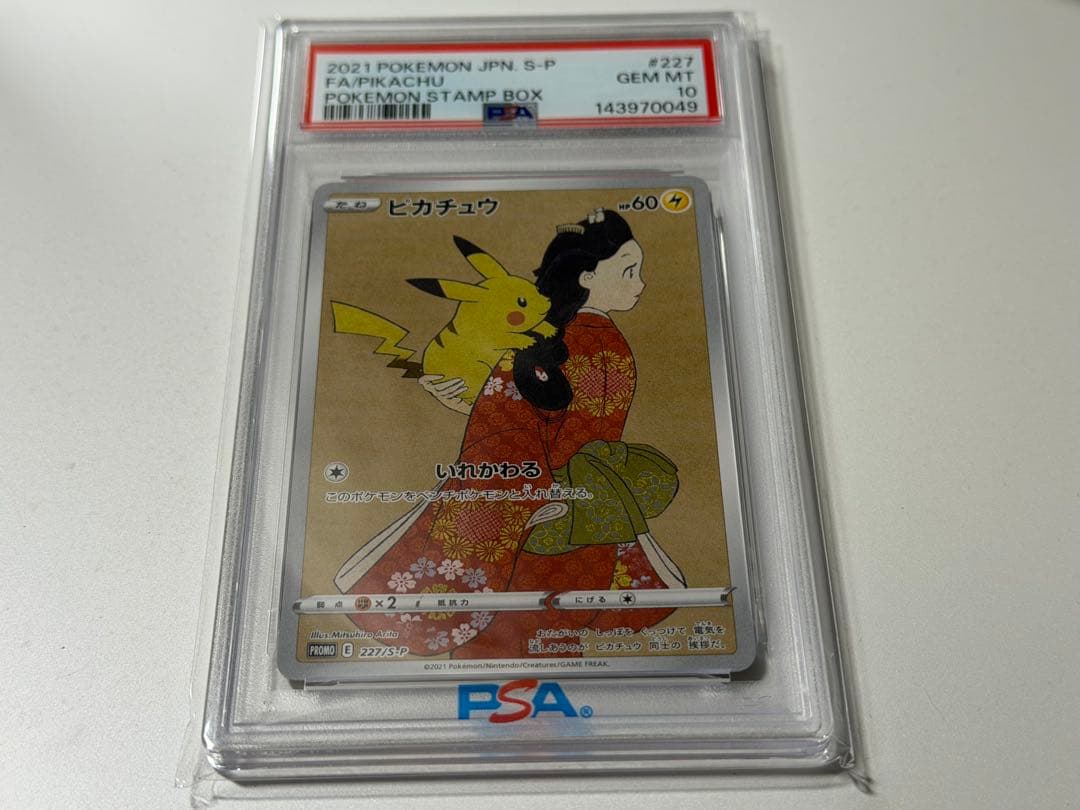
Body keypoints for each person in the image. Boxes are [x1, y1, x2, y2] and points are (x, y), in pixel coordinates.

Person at [334, 209, 685, 658]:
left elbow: (509, 426)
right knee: (553, 631)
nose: (641, 284)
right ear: (587, 277)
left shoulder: (546, 345)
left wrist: (523, 483)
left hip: (538, 511)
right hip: (590, 510)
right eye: (629, 271)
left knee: (510, 632)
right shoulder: (599, 342)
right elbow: (555, 418)